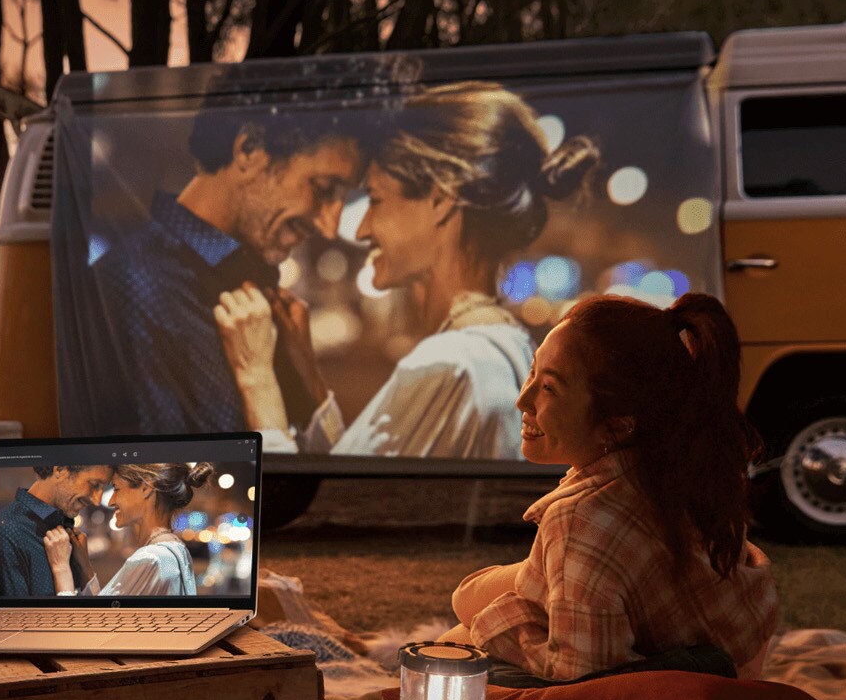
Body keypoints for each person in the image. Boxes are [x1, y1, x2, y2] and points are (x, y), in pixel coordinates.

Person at [217, 81, 599, 459]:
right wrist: (310, 378)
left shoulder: (450, 365)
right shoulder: (509, 348)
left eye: (377, 199)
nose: (363, 227)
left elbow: (336, 514)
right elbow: (360, 479)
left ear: (440, 199)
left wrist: (257, 380)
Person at [443, 292, 780, 684]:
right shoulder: (676, 469)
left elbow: (582, 677)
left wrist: (498, 624)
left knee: (454, 649)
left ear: (619, 424)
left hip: (692, 685)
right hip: (735, 659)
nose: (523, 400)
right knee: (470, 600)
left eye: (549, 388)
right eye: (532, 372)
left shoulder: (582, 520)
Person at [84, 101, 370, 436]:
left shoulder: (255, 287)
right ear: (248, 149)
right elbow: (167, 479)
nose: (330, 226)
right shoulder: (134, 289)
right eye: (322, 189)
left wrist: (309, 387)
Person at [43, 462, 213, 597]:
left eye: (117, 489)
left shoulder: (150, 559)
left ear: (146, 488)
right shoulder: (177, 551)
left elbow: (91, 632)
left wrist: (62, 569)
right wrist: (86, 567)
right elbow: (107, 614)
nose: (111, 501)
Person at [0, 463, 112, 599]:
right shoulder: (8, 532)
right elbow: (15, 618)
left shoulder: (64, 527)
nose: (97, 501)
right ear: (60, 469)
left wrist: (85, 570)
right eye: (94, 484)